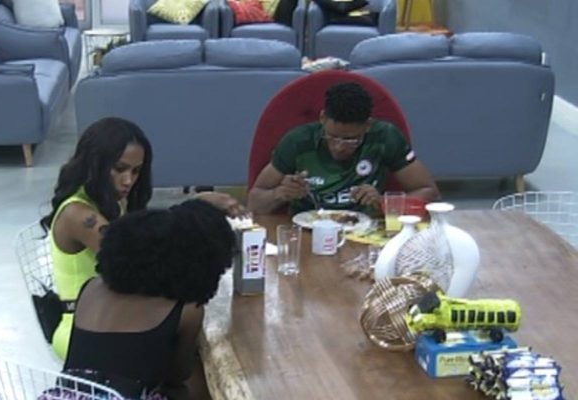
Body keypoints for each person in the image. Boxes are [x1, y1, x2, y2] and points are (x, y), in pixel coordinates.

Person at [41, 117, 244, 359]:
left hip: (110, 315)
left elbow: (145, 240)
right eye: (120, 169)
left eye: (136, 171)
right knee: (189, 320)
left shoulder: (110, 202)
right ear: (94, 163)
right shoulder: (79, 214)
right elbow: (140, 257)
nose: (128, 180)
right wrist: (196, 206)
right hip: (83, 330)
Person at [62, 199, 235, 400]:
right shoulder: (185, 311)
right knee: (198, 386)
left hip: (65, 395)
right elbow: (178, 375)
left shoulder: (90, 288)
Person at [247, 82, 440, 215]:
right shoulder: (297, 141)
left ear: (368, 125)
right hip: (307, 232)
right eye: (332, 137)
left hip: (366, 232)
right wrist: (281, 193)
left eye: (350, 140)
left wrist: (383, 203)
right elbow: (254, 202)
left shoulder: (385, 137)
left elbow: (429, 193)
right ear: (322, 118)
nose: (339, 147)